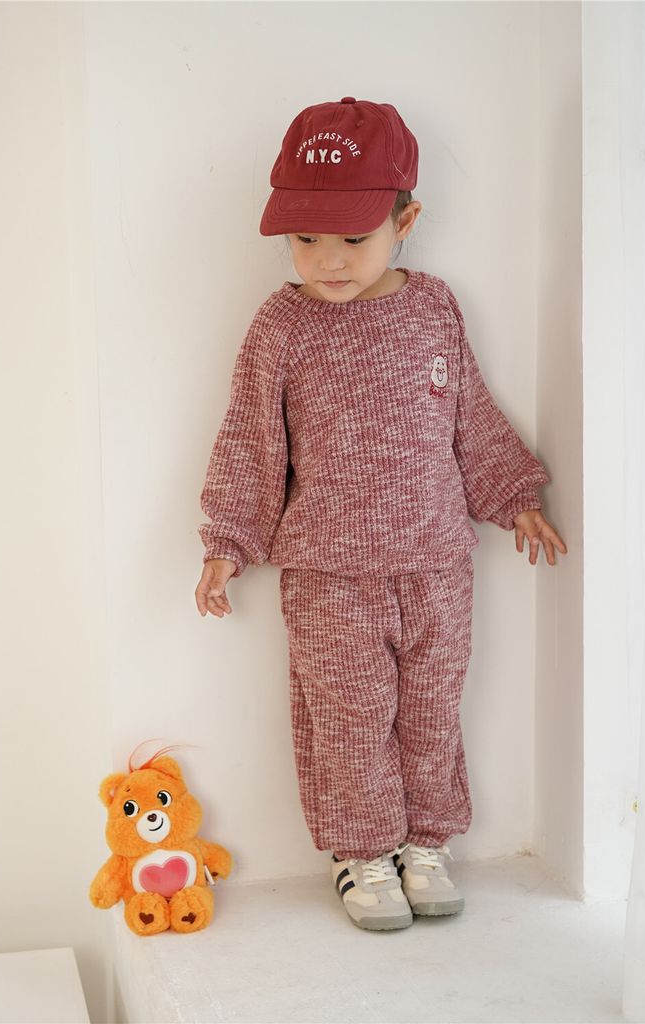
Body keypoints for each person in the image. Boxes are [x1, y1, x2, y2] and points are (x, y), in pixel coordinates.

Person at [194, 96, 567, 931]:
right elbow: (252, 439)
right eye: (305, 239)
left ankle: (425, 844)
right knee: (352, 718)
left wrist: (514, 495)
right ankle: (362, 854)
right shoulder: (282, 327)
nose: (327, 260)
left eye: (353, 239)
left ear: (406, 221)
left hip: (437, 565)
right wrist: (227, 539)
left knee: (432, 710)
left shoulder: (434, 308)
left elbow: (468, 416)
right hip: (330, 575)